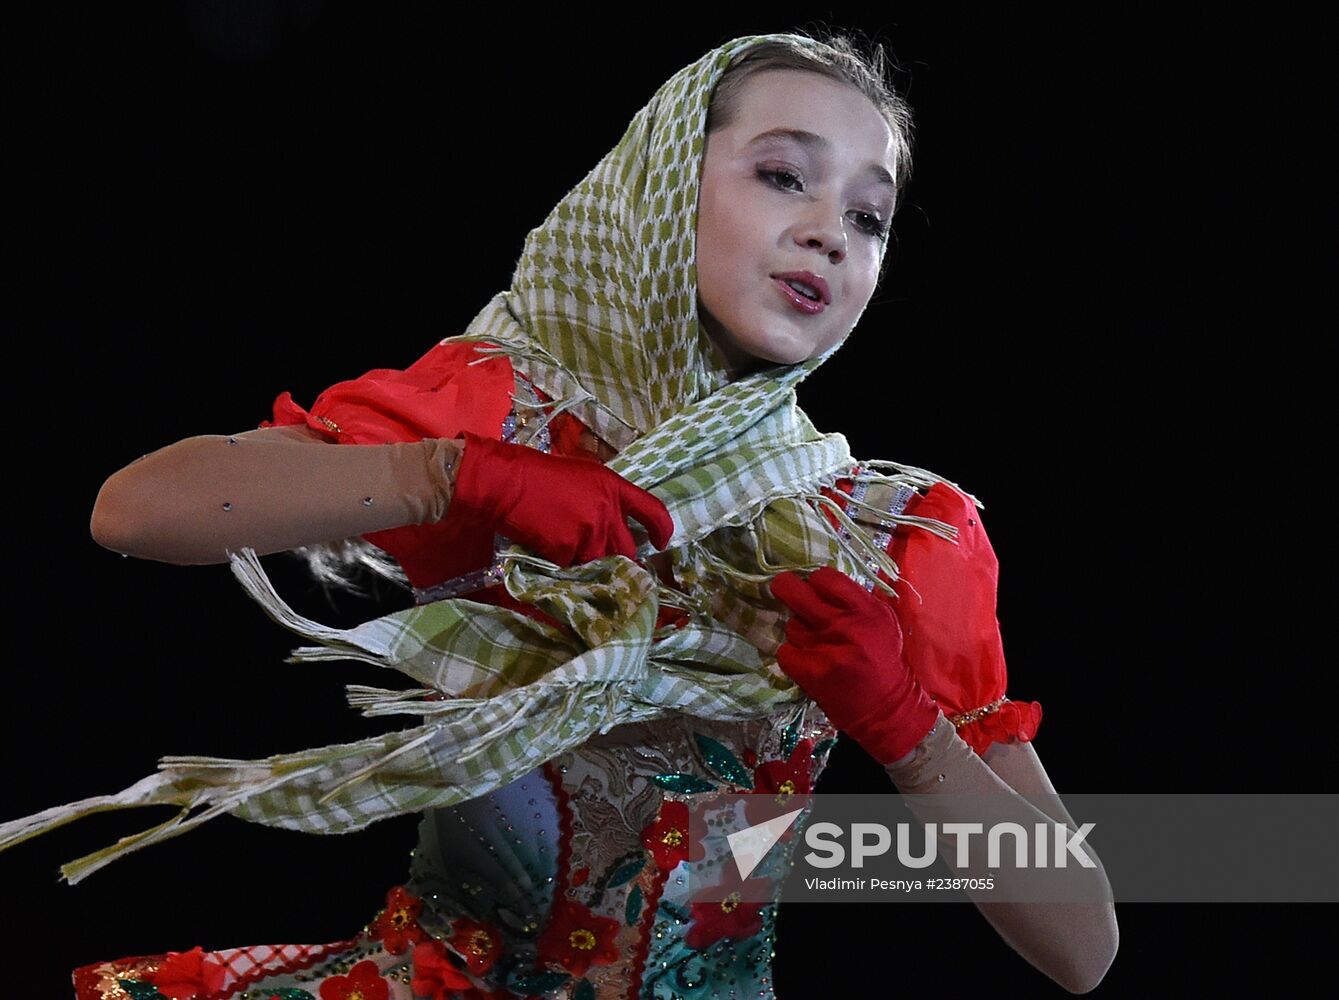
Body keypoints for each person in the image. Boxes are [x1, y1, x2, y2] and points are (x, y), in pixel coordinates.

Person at [4, 30, 1117, 999]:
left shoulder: (892, 532)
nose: (832, 230)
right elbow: (137, 509)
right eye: (785, 176)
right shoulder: (501, 411)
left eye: (868, 215)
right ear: (662, 183)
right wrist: (457, 478)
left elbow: (1082, 948)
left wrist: (912, 735)